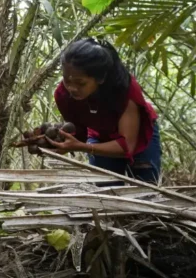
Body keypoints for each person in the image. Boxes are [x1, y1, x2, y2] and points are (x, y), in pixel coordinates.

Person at [49, 37, 162, 183]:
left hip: (140, 136)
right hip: (100, 136)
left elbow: (127, 145)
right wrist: (56, 141)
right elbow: (79, 133)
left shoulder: (125, 90)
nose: (71, 88)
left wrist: (83, 147)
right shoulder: (63, 95)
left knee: (145, 189)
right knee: (107, 190)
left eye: (80, 83)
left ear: (101, 78)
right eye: (66, 79)